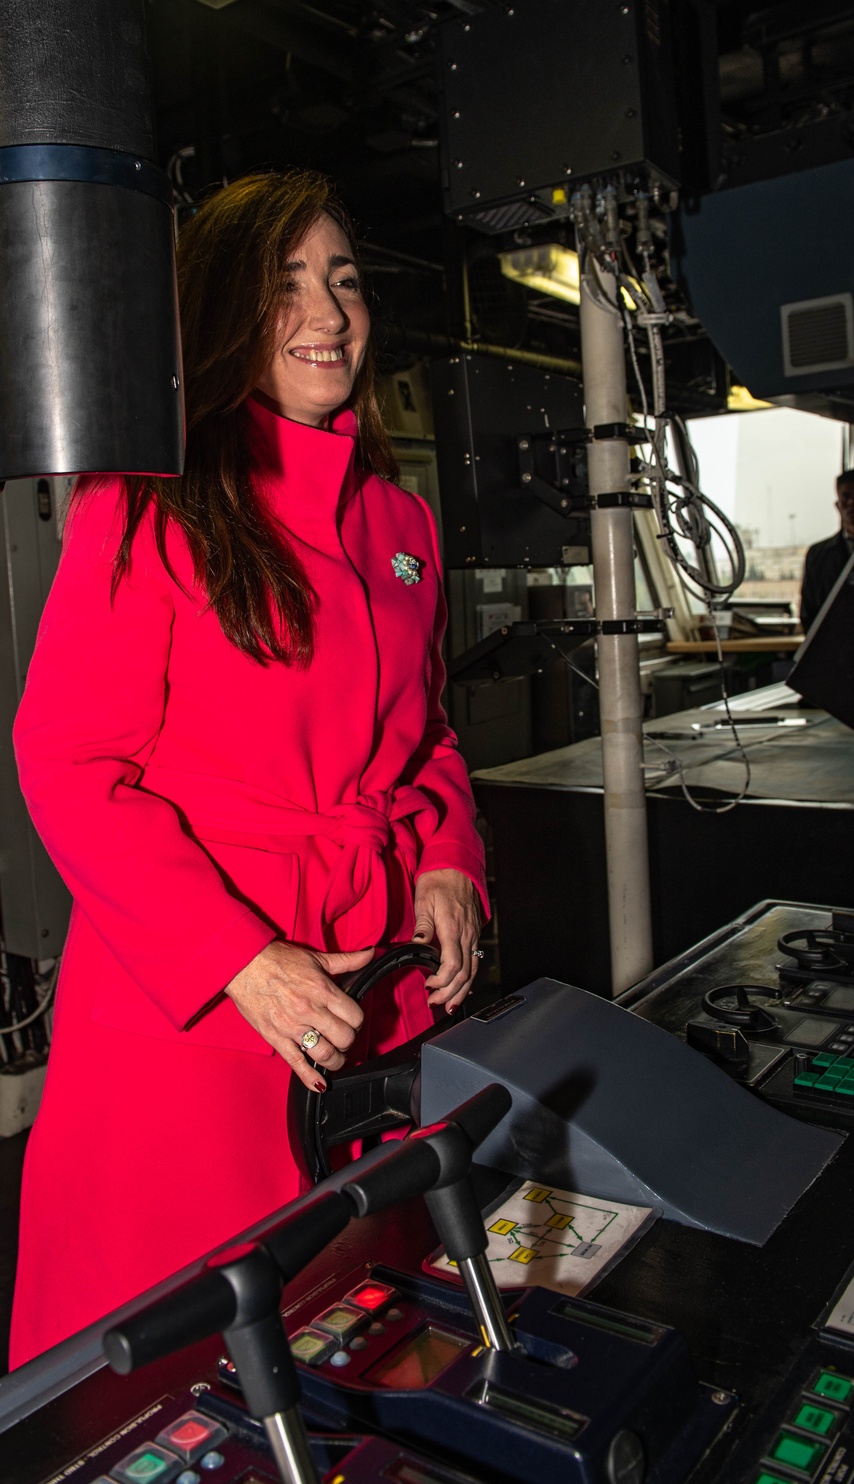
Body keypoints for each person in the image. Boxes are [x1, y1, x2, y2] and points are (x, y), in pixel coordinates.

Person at [8, 170, 487, 1366]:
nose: (326, 311)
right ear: (226, 312)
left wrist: (446, 859)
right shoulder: (152, 502)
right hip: (196, 1021)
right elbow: (66, 761)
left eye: (342, 279)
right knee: (179, 1388)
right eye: (284, 286)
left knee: (359, 1340)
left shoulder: (401, 523)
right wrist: (238, 960)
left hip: (368, 998)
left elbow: (424, 738)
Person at [799, 468, 854, 633]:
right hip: (832, 648)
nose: (852, 503)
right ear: (837, 505)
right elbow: (809, 610)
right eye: (846, 497)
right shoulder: (818, 555)